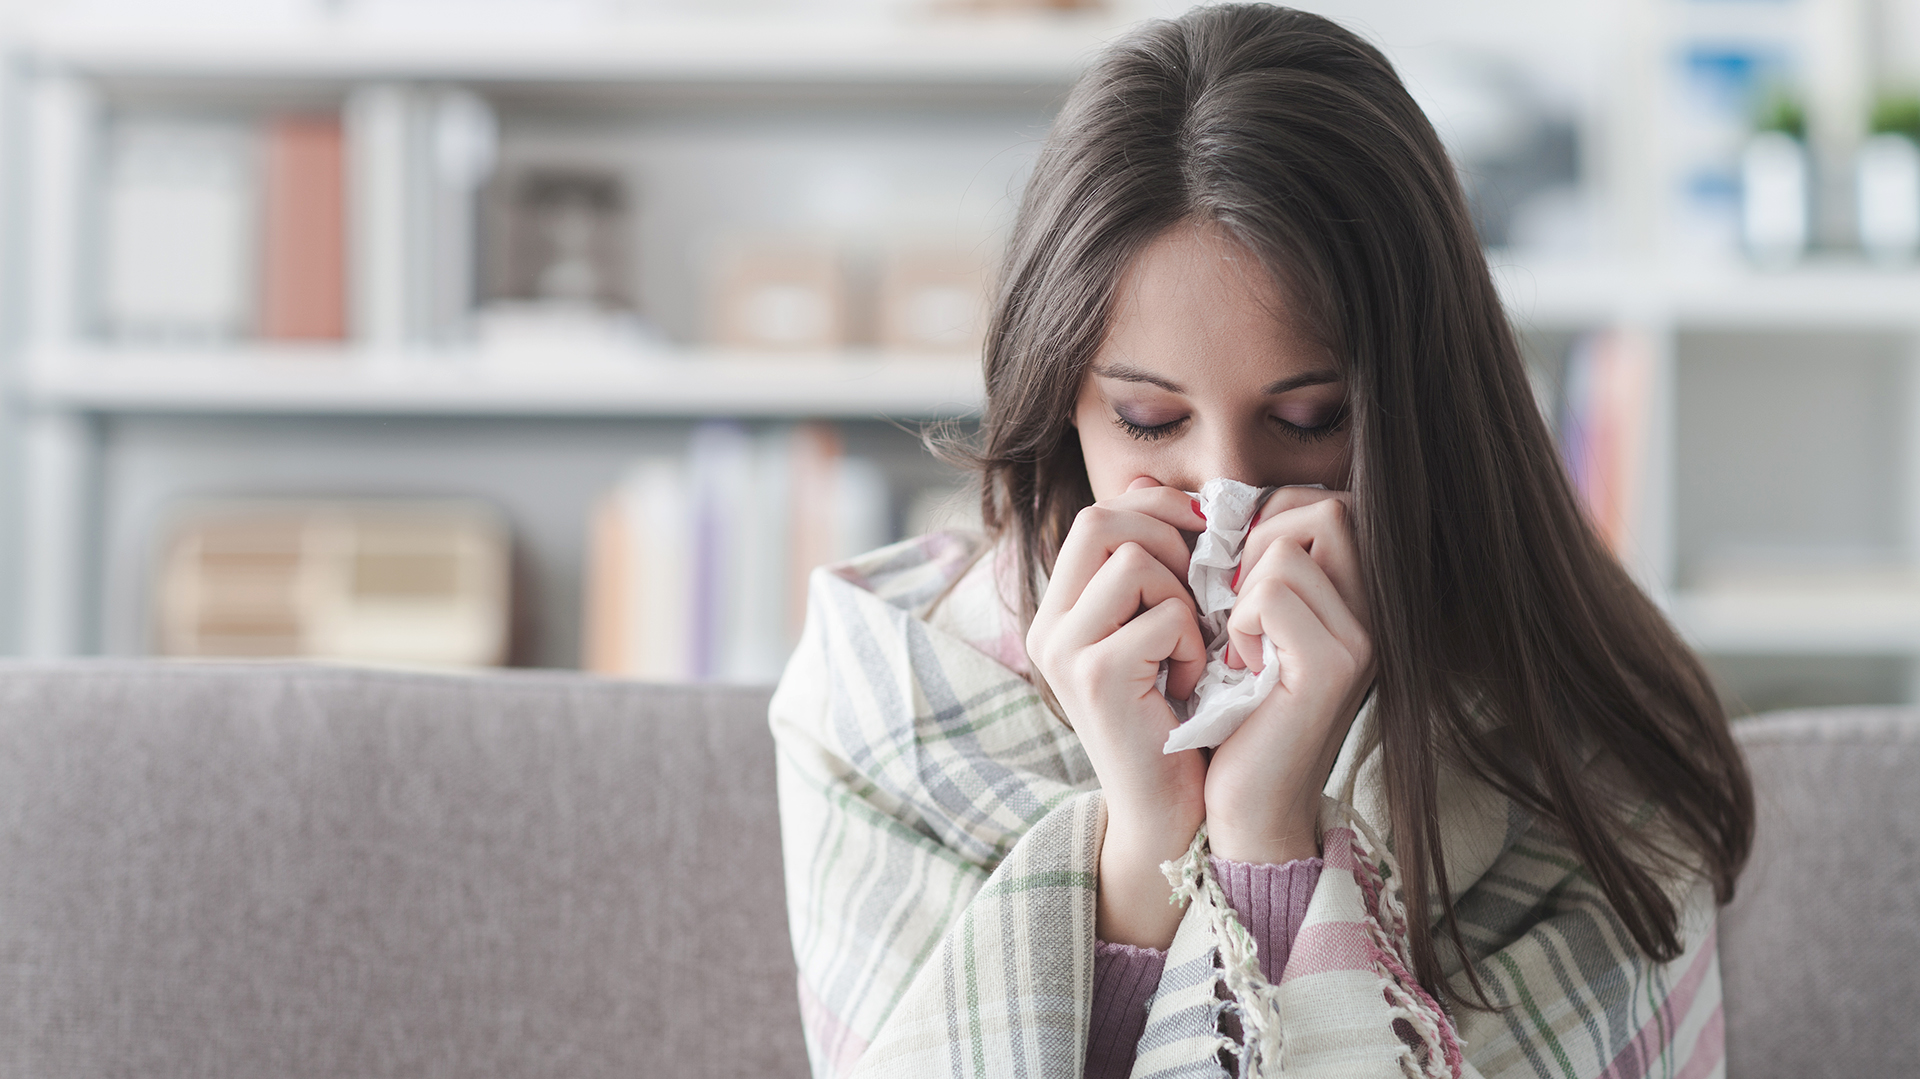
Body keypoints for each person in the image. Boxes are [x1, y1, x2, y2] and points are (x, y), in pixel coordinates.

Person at [770, 6, 1754, 1078]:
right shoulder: (888, 694)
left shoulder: (1579, 734)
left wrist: (1265, 830)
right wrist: (1145, 843)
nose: (1226, 492)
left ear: (1420, 406)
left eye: (1310, 419)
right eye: (1148, 421)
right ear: (1059, 406)